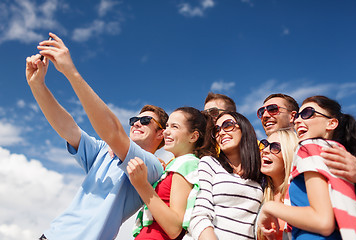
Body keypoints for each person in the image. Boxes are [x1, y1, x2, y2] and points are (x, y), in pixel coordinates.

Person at [27, 33, 167, 239]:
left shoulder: (152, 167)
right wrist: (37, 84)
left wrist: (71, 72)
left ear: (160, 133)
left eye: (146, 121)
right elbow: (67, 127)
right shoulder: (103, 150)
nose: (137, 122)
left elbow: (114, 133)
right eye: (133, 120)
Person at [258, 95, 356, 240]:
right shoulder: (339, 154)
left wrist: (269, 208)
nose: (298, 120)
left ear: (331, 123)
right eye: (299, 116)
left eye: (307, 114)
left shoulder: (308, 148)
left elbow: (323, 221)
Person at [127, 107, 216, 239]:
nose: (166, 131)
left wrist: (142, 185)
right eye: (167, 126)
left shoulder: (187, 164)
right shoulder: (175, 166)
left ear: (193, 136)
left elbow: (174, 228)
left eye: (175, 127)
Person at [185, 111, 264, 240]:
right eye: (216, 130)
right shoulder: (209, 163)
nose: (221, 133)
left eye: (228, 125)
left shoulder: (261, 175)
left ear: (244, 129)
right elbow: (198, 214)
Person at [258, 93, 356, 186]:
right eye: (262, 112)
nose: (265, 115)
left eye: (273, 109)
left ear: (292, 117)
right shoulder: (258, 154)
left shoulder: (337, 152)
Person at [257, 129, 298, 240]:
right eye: (264, 144)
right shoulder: (260, 194)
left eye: (275, 147)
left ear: (288, 154)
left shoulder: (300, 192)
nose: (265, 150)